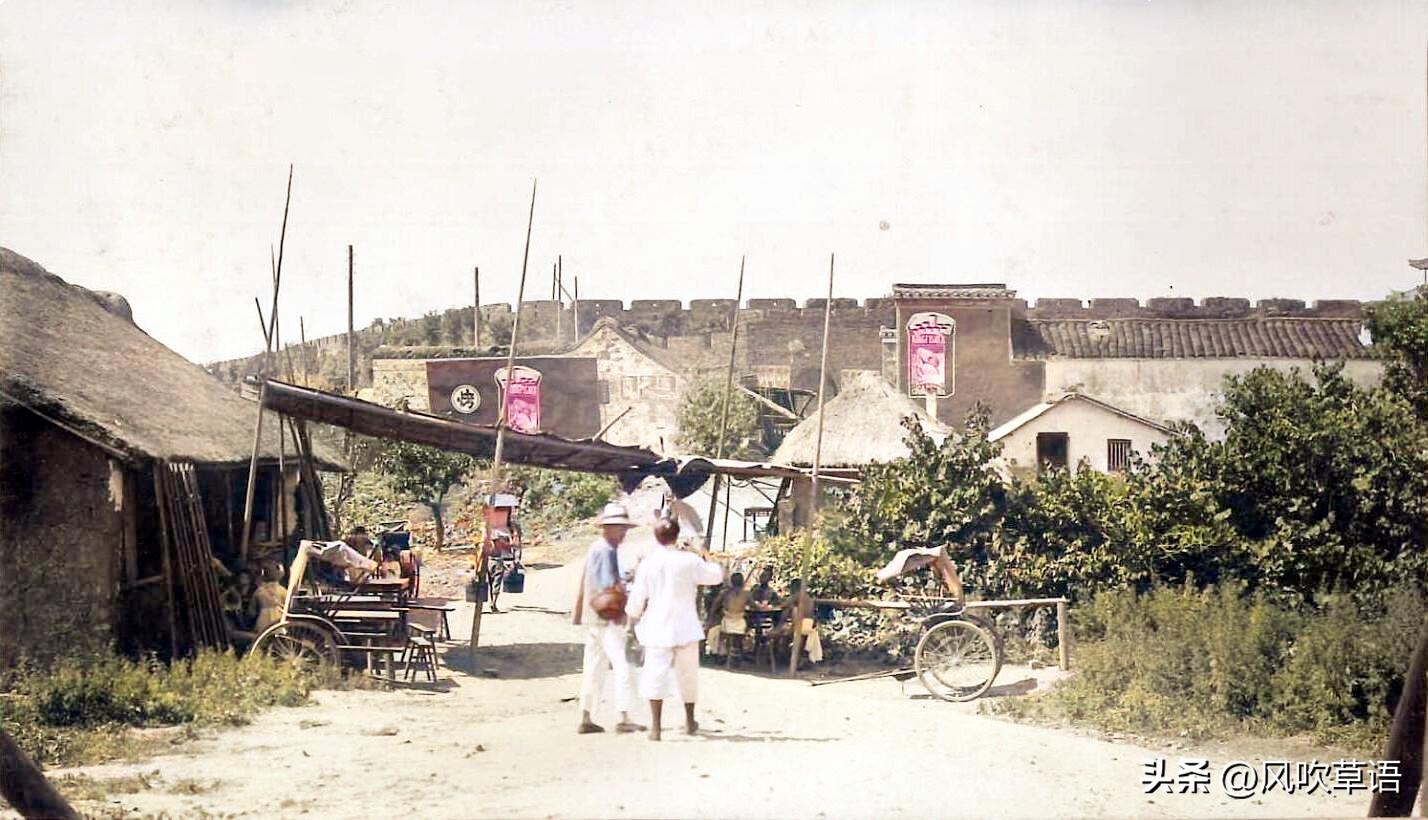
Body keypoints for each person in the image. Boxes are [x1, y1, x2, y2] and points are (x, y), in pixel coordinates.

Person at [626, 517, 724, 741]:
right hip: (686, 626)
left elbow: (637, 599)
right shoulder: (689, 561)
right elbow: (716, 575)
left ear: (656, 537)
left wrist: (631, 622)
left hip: (657, 627)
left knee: (655, 675)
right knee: (688, 676)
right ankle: (690, 722)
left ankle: (656, 728)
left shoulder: (648, 563)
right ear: (677, 536)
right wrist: (702, 552)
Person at [573, 503, 643, 735]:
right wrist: (621, 609)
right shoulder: (606, 550)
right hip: (607, 616)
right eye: (621, 529)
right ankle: (624, 716)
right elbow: (606, 585)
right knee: (623, 665)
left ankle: (586, 716)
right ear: (609, 528)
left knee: (593, 668)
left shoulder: (597, 548)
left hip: (594, 617)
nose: (624, 534)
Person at [779, 578, 823, 664]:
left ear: (794, 587)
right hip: (810, 625)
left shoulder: (797, 595)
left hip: (802, 625)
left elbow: (783, 605)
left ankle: (784, 657)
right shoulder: (807, 597)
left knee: (789, 613)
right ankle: (792, 657)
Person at [704, 572, 748, 657]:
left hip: (727, 624)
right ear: (742, 582)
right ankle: (738, 651)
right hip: (741, 626)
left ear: (731, 582)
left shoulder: (725, 593)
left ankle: (721, 652)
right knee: (748, 624)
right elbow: (756, 606)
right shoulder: (746, 594)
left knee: (720, 632)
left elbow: (715, 605)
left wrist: (710, 619)